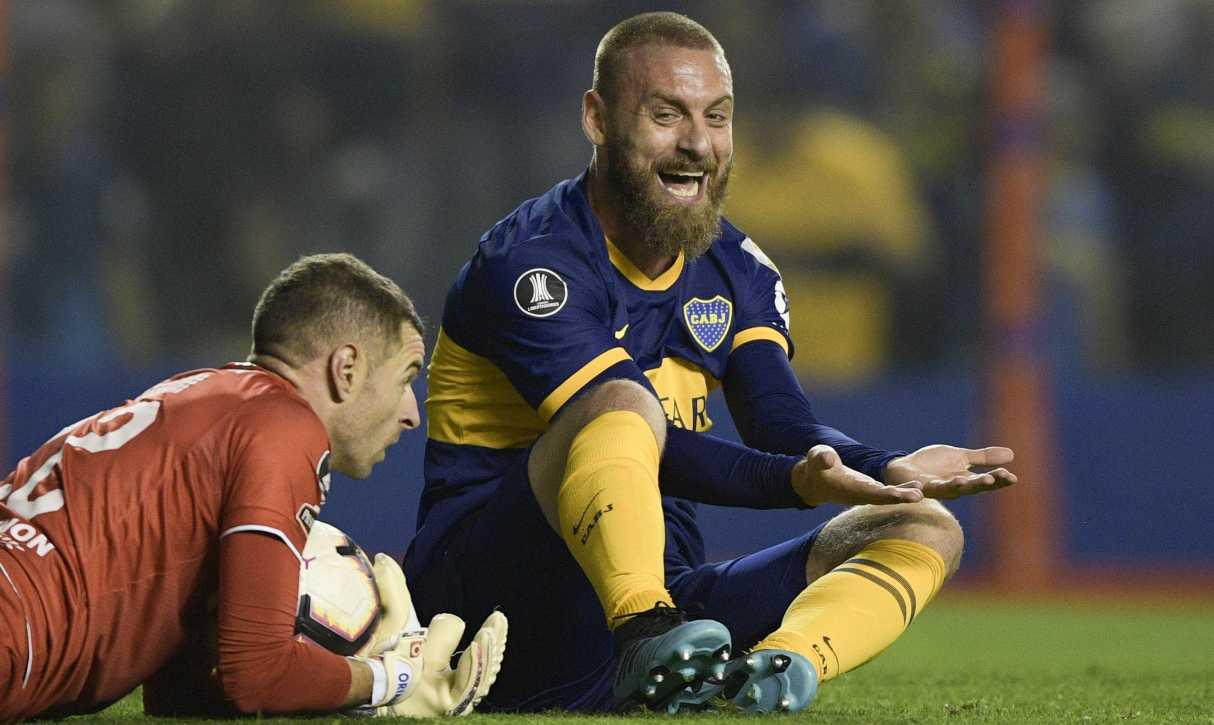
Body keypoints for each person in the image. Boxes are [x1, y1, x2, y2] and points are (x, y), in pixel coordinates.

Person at [404, 11, 1018, 716]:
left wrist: (886, 467)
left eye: (716, 117)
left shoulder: (735, 267)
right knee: (624, 404)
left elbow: (780, 421)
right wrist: (792, 482)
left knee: (926, 526)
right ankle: (645, 632)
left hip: (661, 614)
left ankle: (772, 669)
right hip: (488, 616)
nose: (697, 143)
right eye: (666, 115)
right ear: (597, 119)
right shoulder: (532, 263)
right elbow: (654, 440)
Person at [0, 253, 506, 720]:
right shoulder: (284, 428)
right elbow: (258, 674)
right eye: (406, 378)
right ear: (347, 370)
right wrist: (393, 680)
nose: (412, 412)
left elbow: (180, 693)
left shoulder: (212, 398)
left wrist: (348, 684)